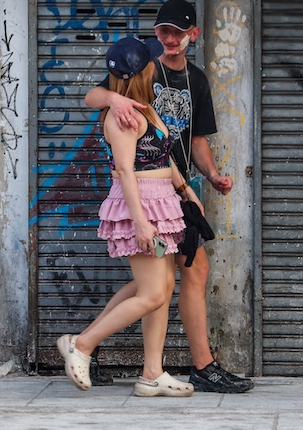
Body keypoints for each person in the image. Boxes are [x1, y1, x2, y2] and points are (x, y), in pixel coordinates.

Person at [84, 0, 254, 394]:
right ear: (156, 34)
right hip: (147, 190)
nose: (171, 38)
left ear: (193, 35)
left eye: (179, 32)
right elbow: (93, 95)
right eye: (164, 31)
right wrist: (114, 98)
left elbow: (196, 139)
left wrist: (211, 177)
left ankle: (116, 356)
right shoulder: (143, 66)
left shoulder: (196, 80)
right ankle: (197, 366)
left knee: (173, 277)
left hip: (177, 188)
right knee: (167, 280)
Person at [58, 37, 198, 397]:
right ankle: (83, 344)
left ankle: (152, 373)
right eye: (151, 62)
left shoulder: (143, 108)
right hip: (141, 204)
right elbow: (125, 168)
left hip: (163, 201)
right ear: (142, 71)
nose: (156, 64)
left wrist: (186, 192)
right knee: (152, 293)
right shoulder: (122, 118)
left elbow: (163, 158)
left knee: (160, 290)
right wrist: (139, 221)